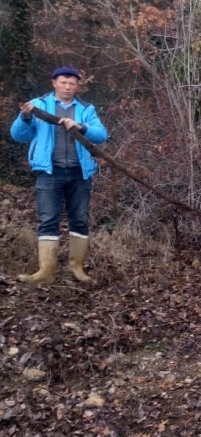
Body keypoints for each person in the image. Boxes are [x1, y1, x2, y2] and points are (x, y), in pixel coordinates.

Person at [11, 66, 108, 284]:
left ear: (77, 86)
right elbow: (17, 136)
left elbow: (101, 135)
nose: (67, 87)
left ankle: (77, 268)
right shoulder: (37, 106)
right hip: (49, 172)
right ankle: (46, 271)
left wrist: (81, 127)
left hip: (80, 173)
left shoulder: (86, 109)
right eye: (63, 82)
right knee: (48, 220)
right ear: (54, 83)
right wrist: (25, 118)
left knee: (80, 220)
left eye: (71, 83)